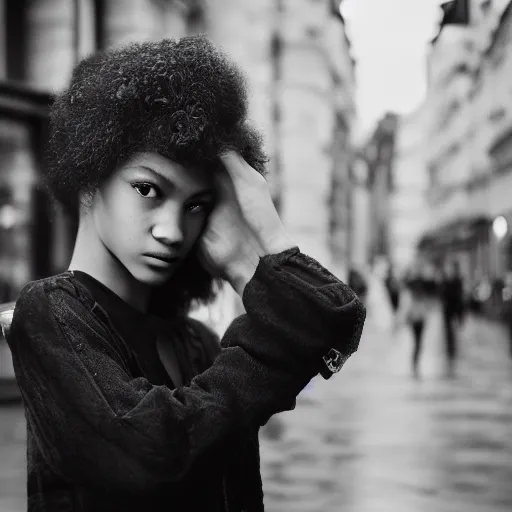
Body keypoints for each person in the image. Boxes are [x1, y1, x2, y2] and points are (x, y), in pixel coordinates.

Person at [6, 36, 366, 511]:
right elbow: (150, 456)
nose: (173, 230)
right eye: (148, 189)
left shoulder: (196, 343)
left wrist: (250, 253)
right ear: (90, 173)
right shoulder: (52, 312)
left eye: (196, 205)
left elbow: (336, 325)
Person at [394, 261, 437, 379]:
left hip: (419, 317)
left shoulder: (418, 285)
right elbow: (407, 303)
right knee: (418, 341)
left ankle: (415, 362)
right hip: (416, 317)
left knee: (418, 341)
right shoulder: (414, 286)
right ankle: (415, 362)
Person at [439, 260, 465, 377]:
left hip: (454, 311)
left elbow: (460, 298)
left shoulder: (458, 281)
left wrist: (461, 315)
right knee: (448, 332)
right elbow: (442, 295)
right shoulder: (446, 281)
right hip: (447, 311)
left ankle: (452, 350)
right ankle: (450, 350)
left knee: (453, 331)